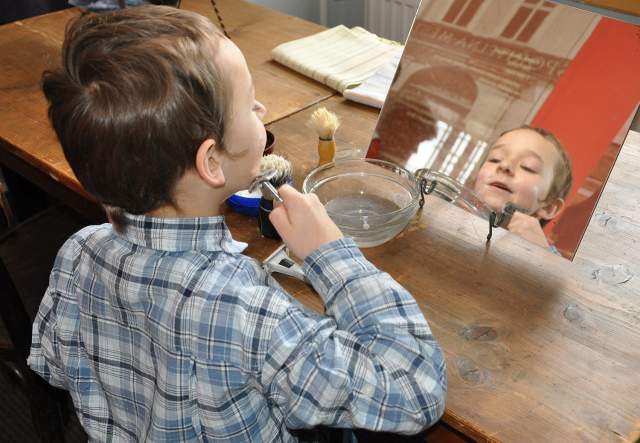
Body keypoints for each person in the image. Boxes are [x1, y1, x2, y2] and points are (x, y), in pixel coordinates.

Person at [28, 5, 447, 441]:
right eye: (249, 105)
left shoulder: (78, 250)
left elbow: (57, 365)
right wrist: (331, 254)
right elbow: (415, 391)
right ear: (211, 161)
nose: (261, 107)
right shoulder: (248, 311)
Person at [473, 125, 572, 250]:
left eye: (528, 167)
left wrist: (540, 254)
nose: (505, 165)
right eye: (495, 159)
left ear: (549, 207)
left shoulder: (544, 257)